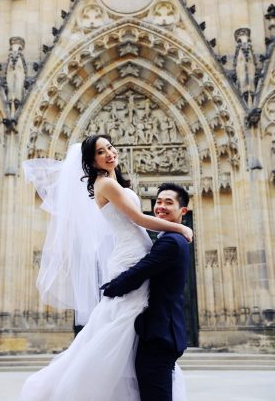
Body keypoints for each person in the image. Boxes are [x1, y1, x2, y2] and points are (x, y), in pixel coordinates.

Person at [20, 134, 192, 401]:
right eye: (101, 152)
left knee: (129, 324)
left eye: (110, 147)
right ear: (92, 161)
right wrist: (180, 226)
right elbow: (137, 219)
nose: (110, 153)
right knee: (123, 323)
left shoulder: (112, 183)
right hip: (130, 255)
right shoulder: (105, 184)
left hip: (135, 252)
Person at [102, 182, 191, 401]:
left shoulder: (171, 241)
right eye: (158, 201)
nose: (160, 207)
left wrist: (110, 288)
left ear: (183, 211)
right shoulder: (172, 239)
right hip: (160, 333)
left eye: (168, 203)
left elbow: (139, 273)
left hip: (159, 335)